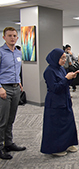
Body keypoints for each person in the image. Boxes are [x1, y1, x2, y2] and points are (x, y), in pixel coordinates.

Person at [41, 48, 79, 157]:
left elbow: (65, 83)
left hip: (65, 100)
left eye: (65, 58)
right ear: (55, 58)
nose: (64, 60)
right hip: (55, 103)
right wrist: (66, 79)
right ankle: (56, 148)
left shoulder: (61, 69)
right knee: (56, 126)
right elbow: (55, 88)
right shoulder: (49, 71)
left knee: (68, 123)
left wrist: (71, 78)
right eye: (62, 58)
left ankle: (68, 144)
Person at [0, 27, 26, 160]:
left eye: (15, 36)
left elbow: (16, 70)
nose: (12, 38)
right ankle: (0, 147)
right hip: (4, 89)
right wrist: (0, 88)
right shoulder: (0, 52)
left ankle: (8, 143)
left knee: (11, 118)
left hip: (16, 88)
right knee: (2, 120)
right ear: (4, 37)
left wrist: (19, 81)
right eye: (9, 35)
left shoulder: (18, 53)